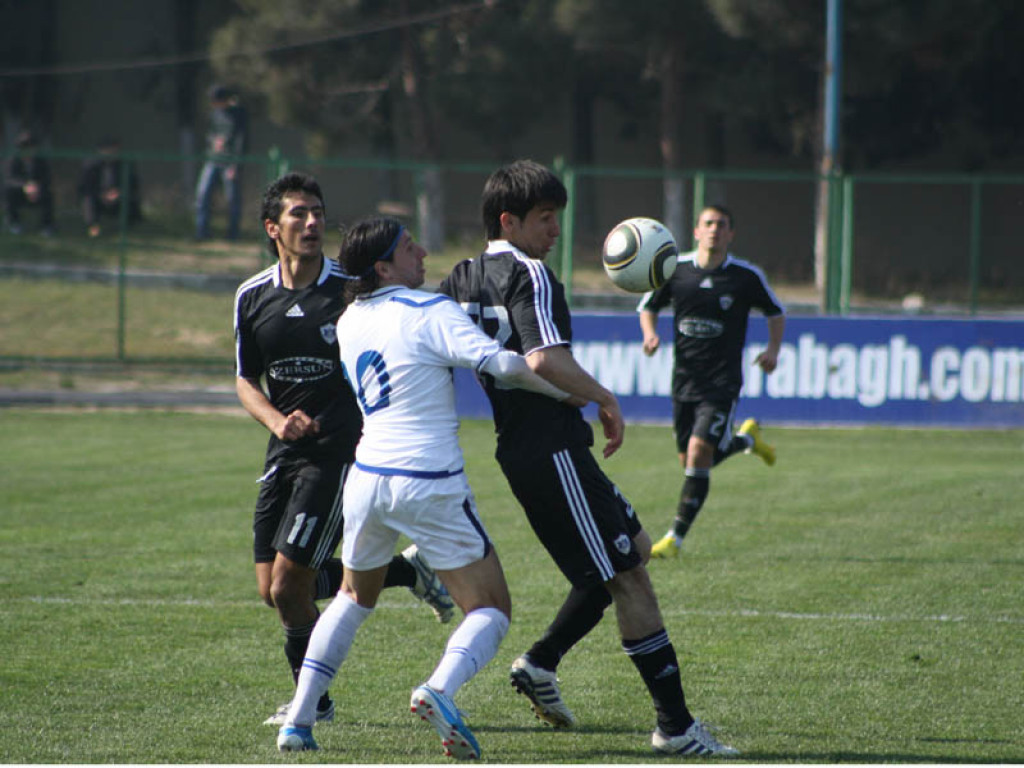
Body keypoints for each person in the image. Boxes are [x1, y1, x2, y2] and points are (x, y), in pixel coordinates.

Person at [439, 159, 738, 756]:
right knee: (628, 576)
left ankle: (542, 661)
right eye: (545, 218)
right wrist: (604, 397)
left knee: (631, 550)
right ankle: (676, 727)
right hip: (549, 449)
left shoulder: (461, 277)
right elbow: (544, 358)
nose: (556, 230)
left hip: (529, 448)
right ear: (509, 221)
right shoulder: (531, 273)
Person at [275, 216, 580, 759]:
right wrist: (570, 393)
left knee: (352, 597)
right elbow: (505, 364)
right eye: (409, 247)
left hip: (367, 476)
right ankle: (439, 689)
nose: (422, 253)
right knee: (491, 608)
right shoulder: (429, 310)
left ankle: (298, 721)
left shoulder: (349, 319)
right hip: (427, 478)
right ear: (383, 267)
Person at [235, 173, 454, 728]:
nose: (312, 222)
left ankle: (313, 705)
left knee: (289, 584)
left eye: (317, 212)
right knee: (273, 591)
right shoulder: (251, 296)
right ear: (272, 228)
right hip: (283, 453)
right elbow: (245, 380)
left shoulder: (349, 290)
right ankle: (406, 572)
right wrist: (278, 421)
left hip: (340, 454)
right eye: (298, 214)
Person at [638, 204, 786, 558]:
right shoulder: (675, 270)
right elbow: (648, 306)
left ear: (731, 234)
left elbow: (775, 312)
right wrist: (649, 334)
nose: (714, 229)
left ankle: (674, 539)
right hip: (684, 382)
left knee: (698, 453)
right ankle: (746, 440)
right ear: (696, 231)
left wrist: (772, 351)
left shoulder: (745, 277)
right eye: (708, 223)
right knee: (691, 461)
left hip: (723, 383)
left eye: (721, 224)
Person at [196, 84, 247, 240]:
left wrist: (236, 165)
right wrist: (214, 141)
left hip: (229, 161)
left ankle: (232, 234)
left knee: (232, 198)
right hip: (213, 159)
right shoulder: (214, 115)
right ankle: (202, 232)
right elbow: (209, 134)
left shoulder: (238, 115)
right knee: (203, 194)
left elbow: (241, 140)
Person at [77, 137, 142, 237]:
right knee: (88, 199)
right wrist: (101, 194)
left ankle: (126, 227)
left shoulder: (124, 164)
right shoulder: (91, 165)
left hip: (118, 197)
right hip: (98, 196)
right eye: (107, 150)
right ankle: (93, 226)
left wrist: (119, 192)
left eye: (114, 150)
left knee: (130, 198)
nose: (111, 153)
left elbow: (133, 184)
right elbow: (85, 186)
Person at [3, 130, 55, 236]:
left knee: (49, 195)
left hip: (38, 193)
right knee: (8, 193)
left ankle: (47, 226)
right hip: (19, 194)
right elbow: (10, 179)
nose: (28, 150)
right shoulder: (13, 160)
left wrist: (37, 187)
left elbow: (46, 178)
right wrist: (25, 186)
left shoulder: (41, 161)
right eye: (25, 147)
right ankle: (14, 223)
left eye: (31, 147)